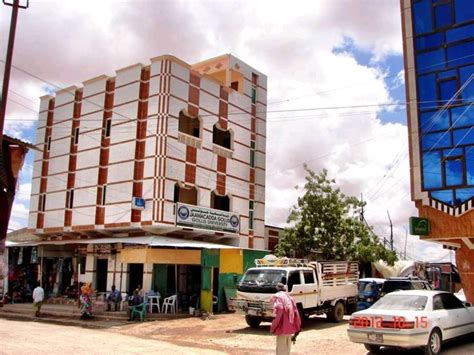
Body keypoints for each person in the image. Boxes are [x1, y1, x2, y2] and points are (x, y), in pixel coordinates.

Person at [270, 283, 301, 355]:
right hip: (290, 328)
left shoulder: (278, 298)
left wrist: (273, 326)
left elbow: (279, 311)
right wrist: (297, 326)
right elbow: (296, 313)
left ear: (277, 289)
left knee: (281, 350)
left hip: (281, 328)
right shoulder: (290, 298)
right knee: (287, 349)